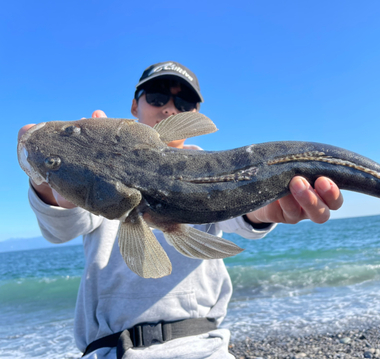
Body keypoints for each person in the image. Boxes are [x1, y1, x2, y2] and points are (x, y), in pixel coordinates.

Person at [18, 61, 343, 359]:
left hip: (202, 346)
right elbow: (61, 226)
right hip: (109, 350)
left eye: (184, 104)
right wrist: (49, 184)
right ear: (134, 105)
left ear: (194, 113)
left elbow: (236, 217)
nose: (170, 108)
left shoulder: (214, 168)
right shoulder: (94, 166)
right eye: (157, 97)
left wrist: (261, 208)